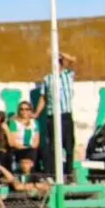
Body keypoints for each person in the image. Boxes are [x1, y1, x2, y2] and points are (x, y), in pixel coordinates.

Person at [35, 51, 76, 179]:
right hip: (52, 115)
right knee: (53, 145)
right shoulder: (48, 78)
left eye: (60, 61)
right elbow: (44, 97)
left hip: (65, 114)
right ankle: (53, 173)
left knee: (69, 145)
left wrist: (59, 53)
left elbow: (73, 59)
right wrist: (37, 113)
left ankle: (68, 173)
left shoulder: (68, 75)